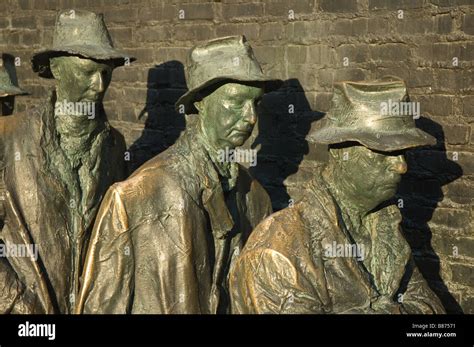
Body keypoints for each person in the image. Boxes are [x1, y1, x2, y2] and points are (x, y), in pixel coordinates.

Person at [76, 35, 281, 314]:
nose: (251, 117)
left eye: (256, 103)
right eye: (235, 102)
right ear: (200, 102)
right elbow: (101, 307)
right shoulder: (135, 197)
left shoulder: (257, 199)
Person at [229, 79, 446, 314]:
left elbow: (431, 312)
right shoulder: (279, 249)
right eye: (384, 152)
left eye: (402, 153)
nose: (401, 166)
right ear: (342, 152)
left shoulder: (385, 224)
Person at [0, 10, 133, 314]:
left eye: (106, 73)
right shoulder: (7, 138)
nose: (100, 85)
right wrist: (17, 303)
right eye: (87, 73)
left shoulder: (115, 147)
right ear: (57, 70)